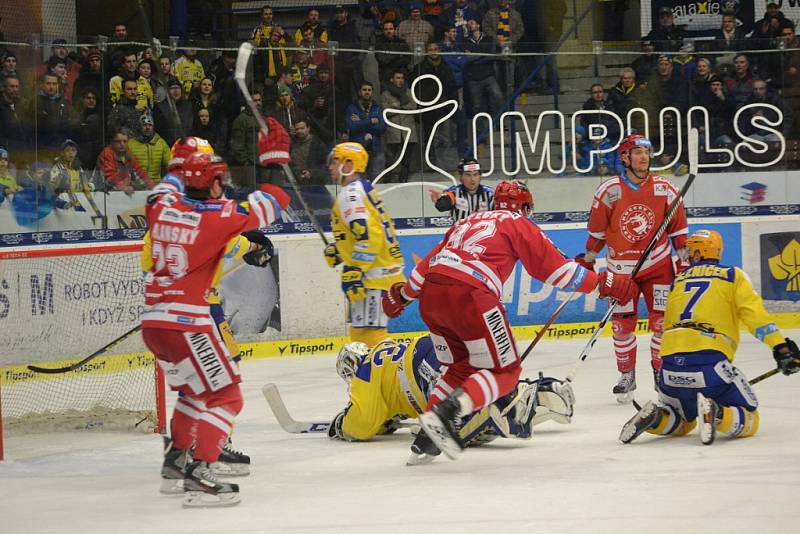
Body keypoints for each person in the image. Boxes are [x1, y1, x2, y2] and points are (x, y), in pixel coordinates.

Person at [382, 180, 640, 460]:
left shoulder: (466, 223)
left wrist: (403, 297)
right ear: (526, 207)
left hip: (432, 297)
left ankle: (427, 436)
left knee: (459, 368)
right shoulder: (518, 223)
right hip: (472, 294)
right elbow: (557, 273)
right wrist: (604, 282)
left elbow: (422, 270)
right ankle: (449, 413)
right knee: (506, 374)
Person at [143, 132, 287, 507]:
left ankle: (175, 464)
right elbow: (275, 200)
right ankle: (201, 473)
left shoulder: (159, 204)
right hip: (189, 321)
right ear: (212, 181)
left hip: (154, 323)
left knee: (193, 392)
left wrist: (188, 159)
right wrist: (273, 157)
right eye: (219, 178)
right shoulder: (218, 217)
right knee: (227, 394)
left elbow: (171, 180)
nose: (224, 184)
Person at [619, 230, 800, 445]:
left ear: (698, 253)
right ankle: (718, 413)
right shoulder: (733, 275)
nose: (686, 255)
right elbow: (755, 316)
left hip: (668, 368)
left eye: (690, 251)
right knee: (751, 416)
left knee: (683, 423)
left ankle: (658, 417)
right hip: (710, 364)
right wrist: (780, 347)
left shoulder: (679, 280)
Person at [328, 336, 576, 466]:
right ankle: (539, 392)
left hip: (421, 373)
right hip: (433, 350)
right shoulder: (386, 351)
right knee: (477, 388)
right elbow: (384, 412)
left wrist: (341, 424)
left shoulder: (364, 372)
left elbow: (362, 424)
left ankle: (504, 414)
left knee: (450, 428)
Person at [575, 134, 688, 403]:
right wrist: (589, 258)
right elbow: (598, 233)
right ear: (625, 158)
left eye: (646, 152)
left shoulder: (665, 188)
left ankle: (661, 374)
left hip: (658, 265)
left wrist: (683, 261)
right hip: (621, 270)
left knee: (661, 324)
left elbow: (679, 231)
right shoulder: (609, 191)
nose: (643, 157)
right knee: (622, 326)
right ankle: (627, 374)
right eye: (637, 152)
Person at [323, 142, 405, 348]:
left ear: (348, 165)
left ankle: (385, 378)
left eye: (335, 161)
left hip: (373, 277)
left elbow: (370, 237)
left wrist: (354, 269)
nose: (330, 167)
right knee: (362, 333)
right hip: (380, 273)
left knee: (370, 338)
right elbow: (364, 233)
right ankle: (372, 378)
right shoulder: (362, 190)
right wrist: (341, 251)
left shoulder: (350, 194)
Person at [97, 129, 154, 193]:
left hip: (121, 192)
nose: (122, 144)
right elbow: (109, 179)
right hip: (104, 194)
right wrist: (123, 187)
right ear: (112, 142)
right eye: (118, 141)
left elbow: (139, 172)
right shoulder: (106, 154)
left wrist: (153, 186)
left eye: (125, 141)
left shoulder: (128, 154)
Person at [128, 114, 171, 182]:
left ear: (153, 127)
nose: (147, 127)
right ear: (140, 127)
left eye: (150, 125)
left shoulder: (161, 143)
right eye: (144, 125)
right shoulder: (130, 144)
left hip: (155, 185)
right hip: (137, 187)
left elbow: (170, 165)